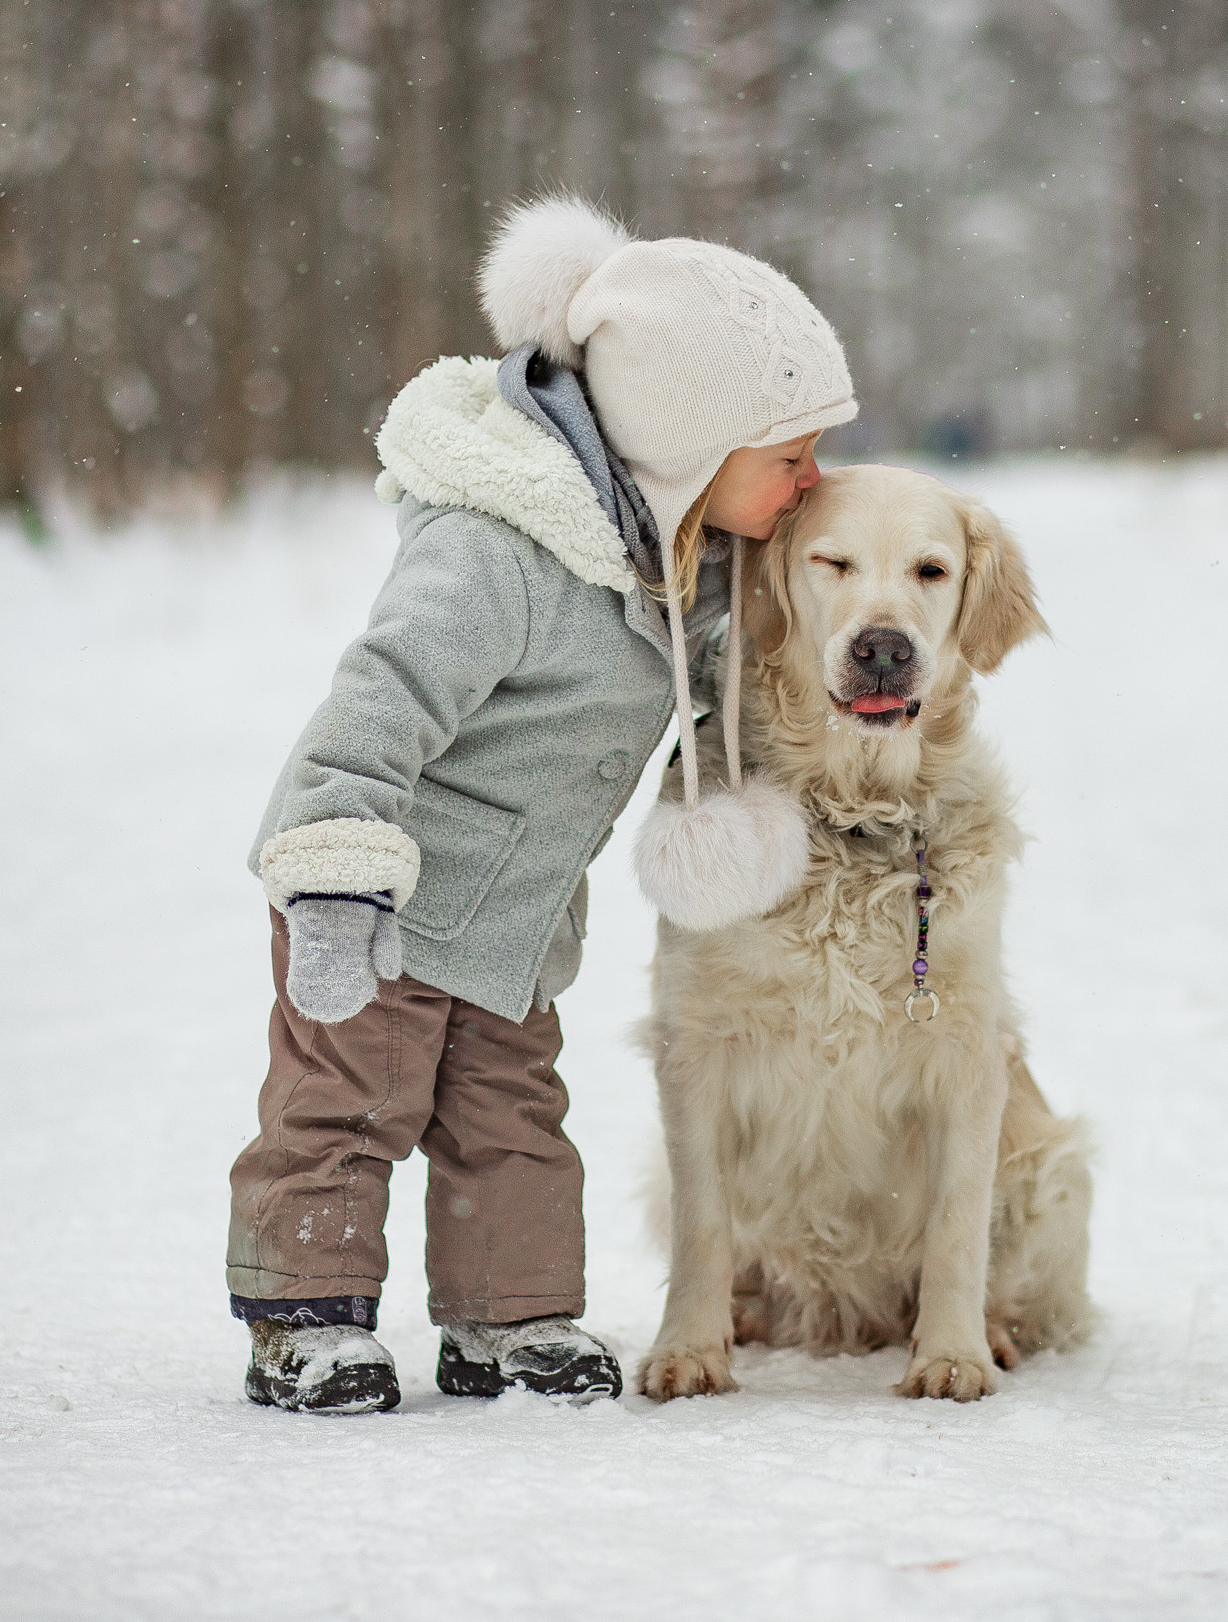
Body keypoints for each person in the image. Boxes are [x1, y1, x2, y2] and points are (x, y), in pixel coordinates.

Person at [227, 198, 859, 1413]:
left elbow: (721, 708)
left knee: (512, 1119)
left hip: (516, 919)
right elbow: (379, 697)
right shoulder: (498, 551)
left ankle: (508, 1321)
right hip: (380, 894)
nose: (811, 479)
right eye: (790, 455)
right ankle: (303, 1319)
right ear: (690, 439)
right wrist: (333, 868)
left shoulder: (674, 562)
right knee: (342, 1107)